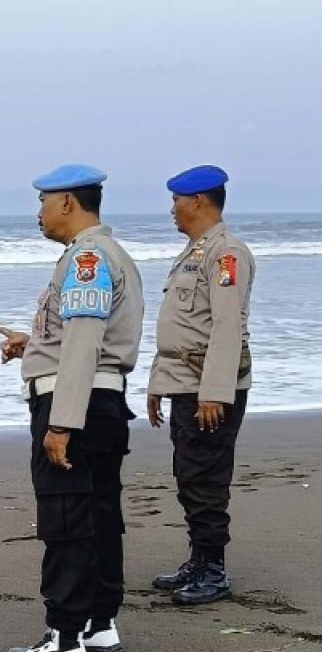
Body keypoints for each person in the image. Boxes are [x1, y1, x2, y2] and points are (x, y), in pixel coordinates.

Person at [0, 164, 143, 652]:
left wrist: (61, 424)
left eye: (43, 202)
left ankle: (65, 638)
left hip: (74, 407)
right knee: (98, 516)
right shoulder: (106, 254)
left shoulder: (86, 257)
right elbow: (82, 339)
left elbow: (81, 344)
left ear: (67, 204)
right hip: (100, 405)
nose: (37, 213)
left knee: (67, 520)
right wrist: (32, 344)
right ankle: (100, 624)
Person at [147, 165, 255, 606]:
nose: (172, 209)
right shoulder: (194, 251)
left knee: (206, 479)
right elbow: (179, 327)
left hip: (208, 390)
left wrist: (214, 393)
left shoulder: (226, 254)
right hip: (184, 383)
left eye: (176, 200)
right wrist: (157, 384)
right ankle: (198, 561)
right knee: (189, 476)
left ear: (197, 201)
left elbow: (227, 328)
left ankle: (213, 570)